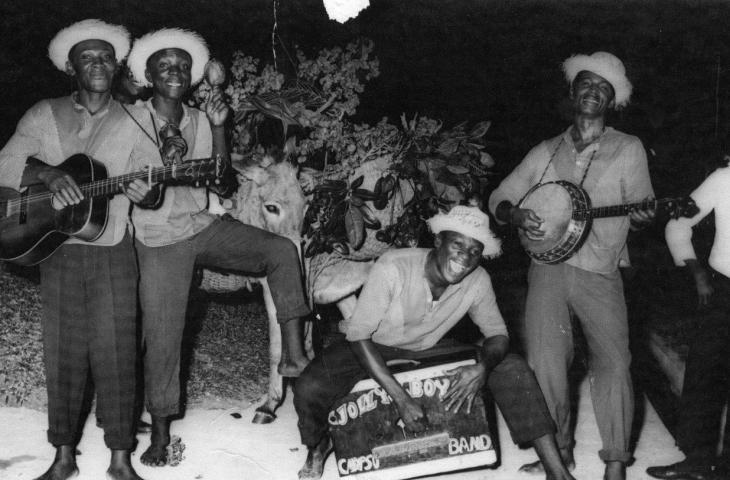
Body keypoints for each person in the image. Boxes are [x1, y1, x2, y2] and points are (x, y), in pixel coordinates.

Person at [124, 28, 312, 466]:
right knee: (164, 335)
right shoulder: (128, 118)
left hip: (201, 225)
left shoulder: (196, 118)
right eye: (165, 66)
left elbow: (220, 177)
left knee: (282, 251)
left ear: (192, 76)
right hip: (157, 239)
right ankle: (161, 432)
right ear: (148, 74)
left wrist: (219, 126)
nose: (176, 72)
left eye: (183, 66)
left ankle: (295, 358)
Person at [294, 206, 577, 480]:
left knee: (512, 367)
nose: (465, 258)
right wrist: (401, 398)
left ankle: (556, 470)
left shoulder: (478, 280)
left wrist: (483, 367)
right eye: (458, 245)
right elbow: (358, 335)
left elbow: (498, 334)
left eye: (474, 251)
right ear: (439, 241)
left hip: (430, 346)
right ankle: (318, 444)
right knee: (310, 386)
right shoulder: (394, 266)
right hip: (371, 344)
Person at [0, 19, 160, 480]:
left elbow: (150, 187)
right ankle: (63, 456)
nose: (98, 64)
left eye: (106, 56)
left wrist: (145, 193)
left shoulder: (138, 117)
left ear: (117, 66)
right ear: (71, 67)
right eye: (87, 57)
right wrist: (48, 175)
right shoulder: (43, 112)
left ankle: (120, 459)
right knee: (63, 352)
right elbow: (6, 162)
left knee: (117, 351)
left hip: (111, 248)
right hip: (58, 250)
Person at [488, 52, 655, 480]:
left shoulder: (628, 147)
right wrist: (515, 214)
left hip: (600, 267)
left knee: (615, 362)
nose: (593, 92)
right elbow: (500, 196)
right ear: (572, 91)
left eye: (603, 87)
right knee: (545, 360)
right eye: (586, 84)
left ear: (612, 100)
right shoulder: (546, 150)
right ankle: (557, 453)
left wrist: (640, 219)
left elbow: (641, 207)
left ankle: (616, 460)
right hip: (546, 267)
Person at [645, 166, 730, 480]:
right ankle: (697, 460)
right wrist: (696, 273)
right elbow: (677, 224)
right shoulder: (724, 179)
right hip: (724, 291)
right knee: (703, 374)